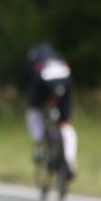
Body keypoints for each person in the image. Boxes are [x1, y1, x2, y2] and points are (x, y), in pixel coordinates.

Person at [24, 42, 77, 176]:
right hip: (65, 82)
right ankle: (70, 161)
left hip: (43, 84)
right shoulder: (58, 58)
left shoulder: (35, 60)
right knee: (65, 124)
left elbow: (29, 81)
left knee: (33, 110)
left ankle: (39, 145)